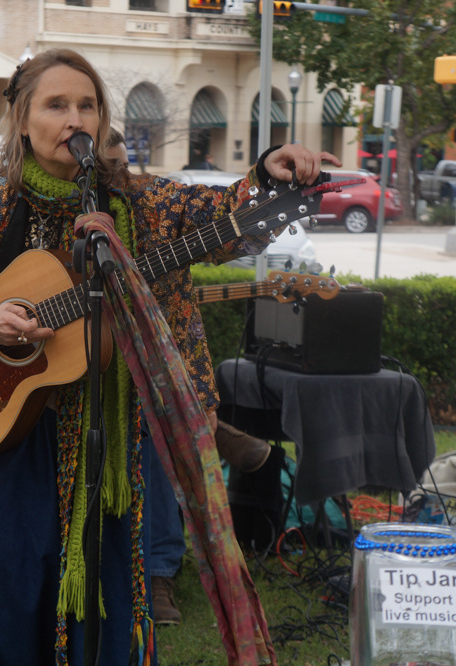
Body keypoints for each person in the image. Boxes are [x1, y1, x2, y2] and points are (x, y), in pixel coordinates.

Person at [0, 48, 338, 665]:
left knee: (104, 617)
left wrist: (269, 178)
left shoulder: (140, 206)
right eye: (56, 105)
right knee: (7, 615)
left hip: (106, 441)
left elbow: (225, 220)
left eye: (86, 105)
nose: (74, 119)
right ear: (23, 120)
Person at [105, 128, 271, 627]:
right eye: (103, 171)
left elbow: (235, 231)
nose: (117, 180)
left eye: (121, 167)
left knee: (153, 425)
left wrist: (265, 190)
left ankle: (157, 573)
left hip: (165, 370)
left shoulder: (155, 202)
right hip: (84, 367)